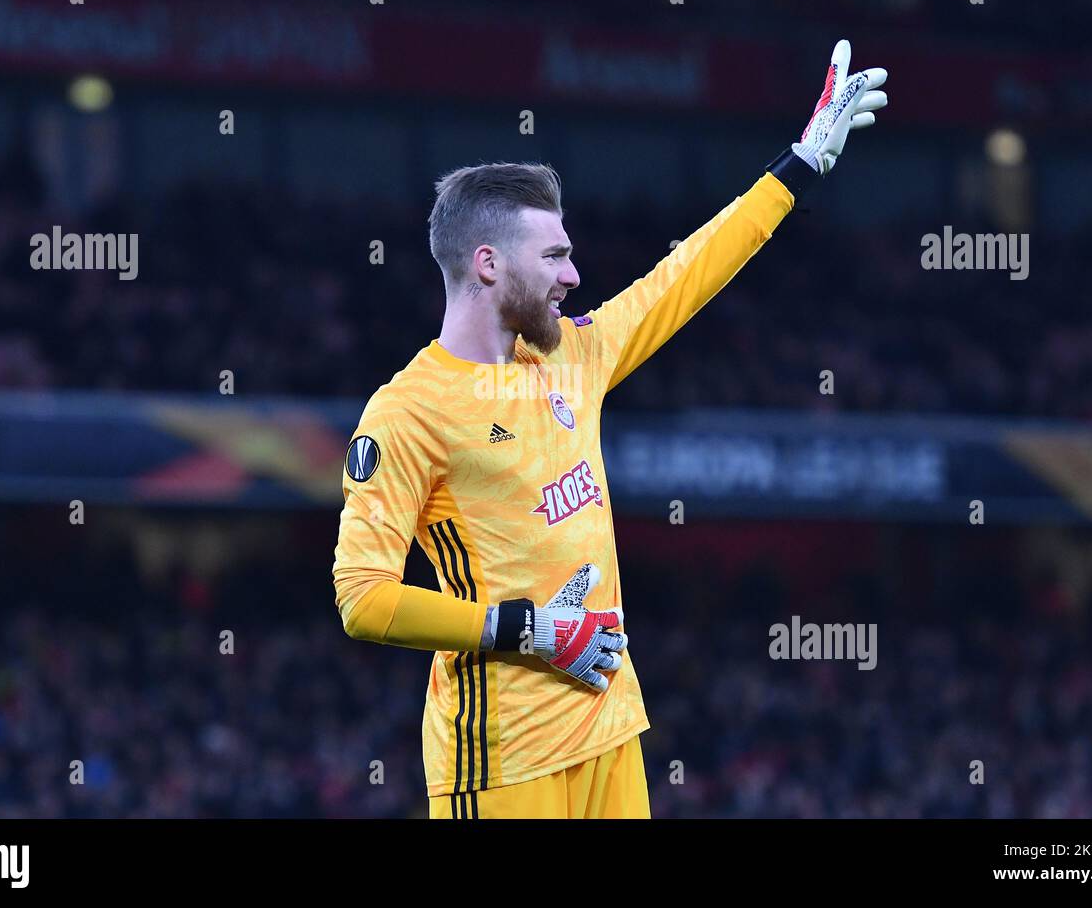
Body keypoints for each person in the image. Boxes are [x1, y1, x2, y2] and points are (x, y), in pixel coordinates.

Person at [332, 41, 887, 818]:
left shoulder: (571, 354)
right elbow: (362, 598)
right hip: (503, 756)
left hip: (610, 727)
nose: (573, 274)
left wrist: (795, 170)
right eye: (554, 255)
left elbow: (680, 279)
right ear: (488, 265)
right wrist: (525, 629)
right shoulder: (407, 411)